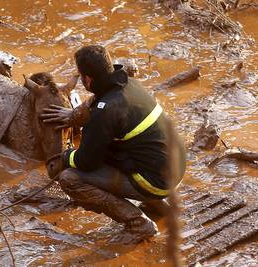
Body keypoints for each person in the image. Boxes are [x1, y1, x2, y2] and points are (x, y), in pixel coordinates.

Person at [41, 45, 186, 244]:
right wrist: (73, 115)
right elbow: (96, 102)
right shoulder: (128, 85)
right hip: (174, 168)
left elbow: (86, 162)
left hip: (155, 181)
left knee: (70, 178)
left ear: (87, 79)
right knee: (127, 150)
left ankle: (138, 223)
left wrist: (65, 156)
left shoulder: (105, 111)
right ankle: (159, 206)